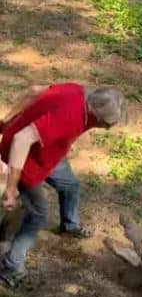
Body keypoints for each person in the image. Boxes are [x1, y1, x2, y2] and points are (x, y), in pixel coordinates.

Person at [0, 83, 128, 286]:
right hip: (27, 161)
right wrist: (11, 187)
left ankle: (70, 225)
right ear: (94, 113)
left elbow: (35, 90)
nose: (107, 128)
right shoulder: (70, 118)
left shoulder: (78, 91)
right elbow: (22, 139)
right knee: (38, 216)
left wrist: (6, 121)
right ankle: (9, 268)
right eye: (106, 124)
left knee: (70, 186)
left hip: (50, 151)